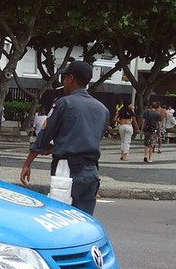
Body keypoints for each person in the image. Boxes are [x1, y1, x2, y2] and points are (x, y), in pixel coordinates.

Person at [19, 61, 109, 215]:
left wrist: (27, 164)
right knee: (84, 218)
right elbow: (89, 137)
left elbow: (44, 136)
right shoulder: (102, 109)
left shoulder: (63, 103)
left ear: (71, 79)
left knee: (60, 216)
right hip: (91, 171)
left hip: (67, 168)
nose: (63, 82)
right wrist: (58, 145)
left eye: (64, 78)